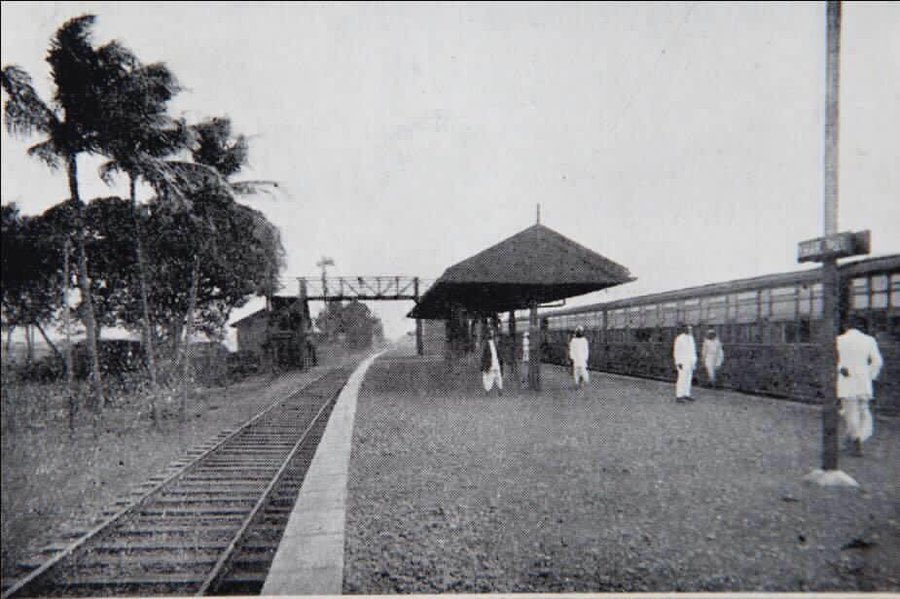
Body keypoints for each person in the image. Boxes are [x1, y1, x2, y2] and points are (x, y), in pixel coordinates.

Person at [836, 317, 883, 457]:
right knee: (863, 411)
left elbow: (835, 361)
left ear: (847, 325)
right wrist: (868, 375)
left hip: (847, 380)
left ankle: (855, 440)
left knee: (850, 412)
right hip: (863, 383)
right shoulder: (869, 340)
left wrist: (841, 369)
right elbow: (878, 362)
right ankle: (855, 438)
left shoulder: (839, 340)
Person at [673, 324, 697, 403]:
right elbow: (677, 351)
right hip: (682, 362)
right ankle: (679, 396)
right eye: (688, 329)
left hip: (690, 361)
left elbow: (693, 350)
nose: (689, 331)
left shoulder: (691, 338)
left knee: (688, 378)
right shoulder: (679, 339)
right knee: (682, 378)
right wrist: (678, 362)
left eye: (690, 329)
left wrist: (694, 361)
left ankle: (686, 394)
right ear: (684, 330)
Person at [481, 328, 503, 396]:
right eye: (490, 333)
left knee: (498, 377)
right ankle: (487, 391)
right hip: (490, 363)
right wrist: (483, 364)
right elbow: (484, 355)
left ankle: (500, 390)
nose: (491, 335)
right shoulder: (486, 344)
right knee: (489, 377)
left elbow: (498, 353)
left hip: (496, 362)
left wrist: (500, 361)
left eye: (492, 333)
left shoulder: (495, 343)